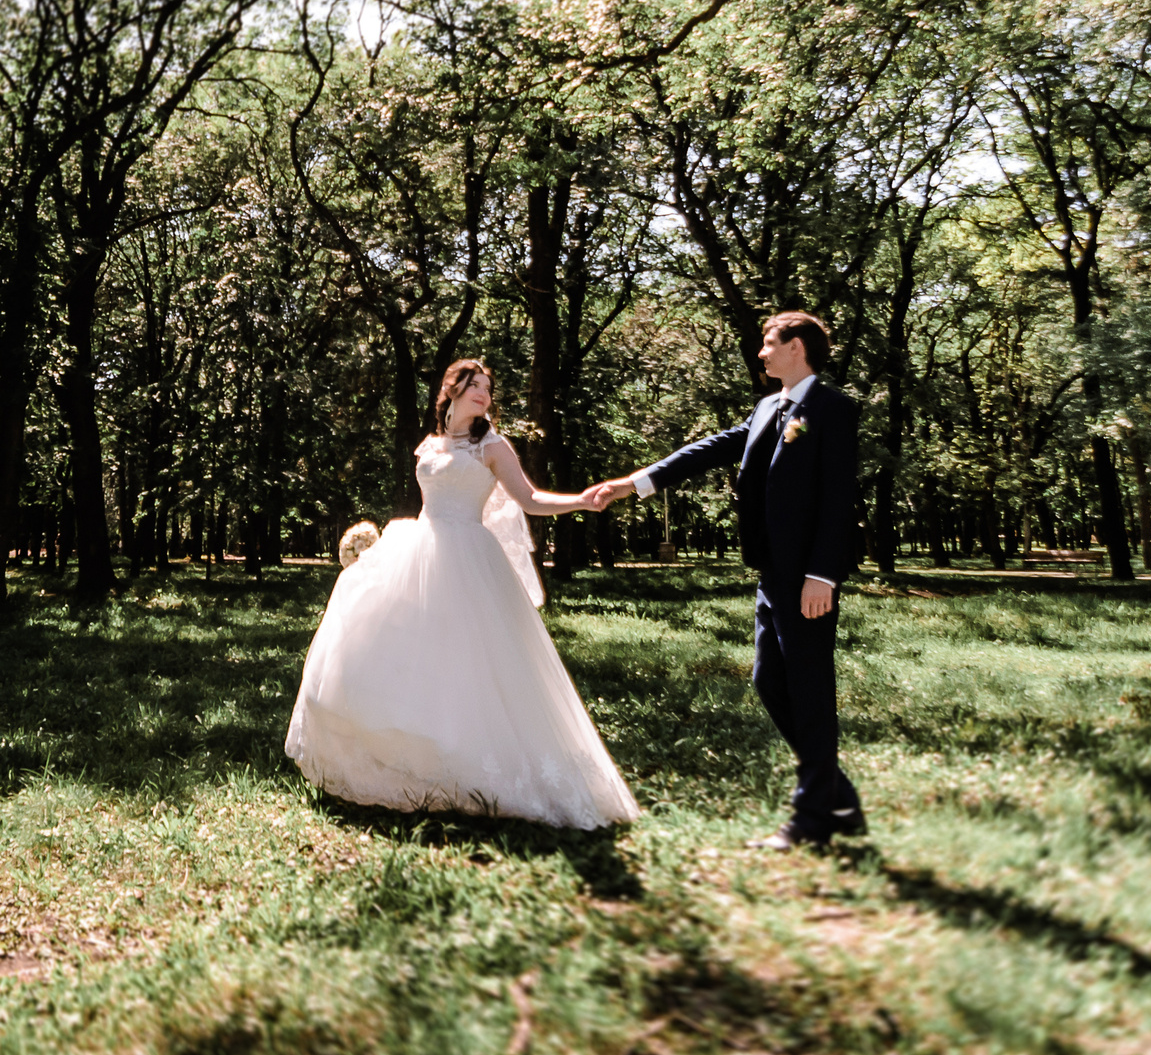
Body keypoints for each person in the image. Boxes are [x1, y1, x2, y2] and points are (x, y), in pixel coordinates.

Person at [284, 359, 640, 828]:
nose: (485, 394)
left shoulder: (491, 446)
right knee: (389, 643)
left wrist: (581, 500)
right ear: (451, 390)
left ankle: (471, 763)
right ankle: (403, 753)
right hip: (420, 547)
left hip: (469, 556)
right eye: (476, 385)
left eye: (489, 388)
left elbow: (529, 499)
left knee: (471, 660)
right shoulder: (430, 443)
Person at [584, 311, 864, 850]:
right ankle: (836, 797)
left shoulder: (832, 408)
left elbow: (837, 499)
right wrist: (632, 484)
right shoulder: (767, 408)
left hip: (807, 576)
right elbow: (711, 448)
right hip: (770, 573)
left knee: (809, 692)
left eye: (769, 344)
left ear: (797, 349)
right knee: (769, 681)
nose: (761, 353)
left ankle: (813, 819)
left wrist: (822, 576)